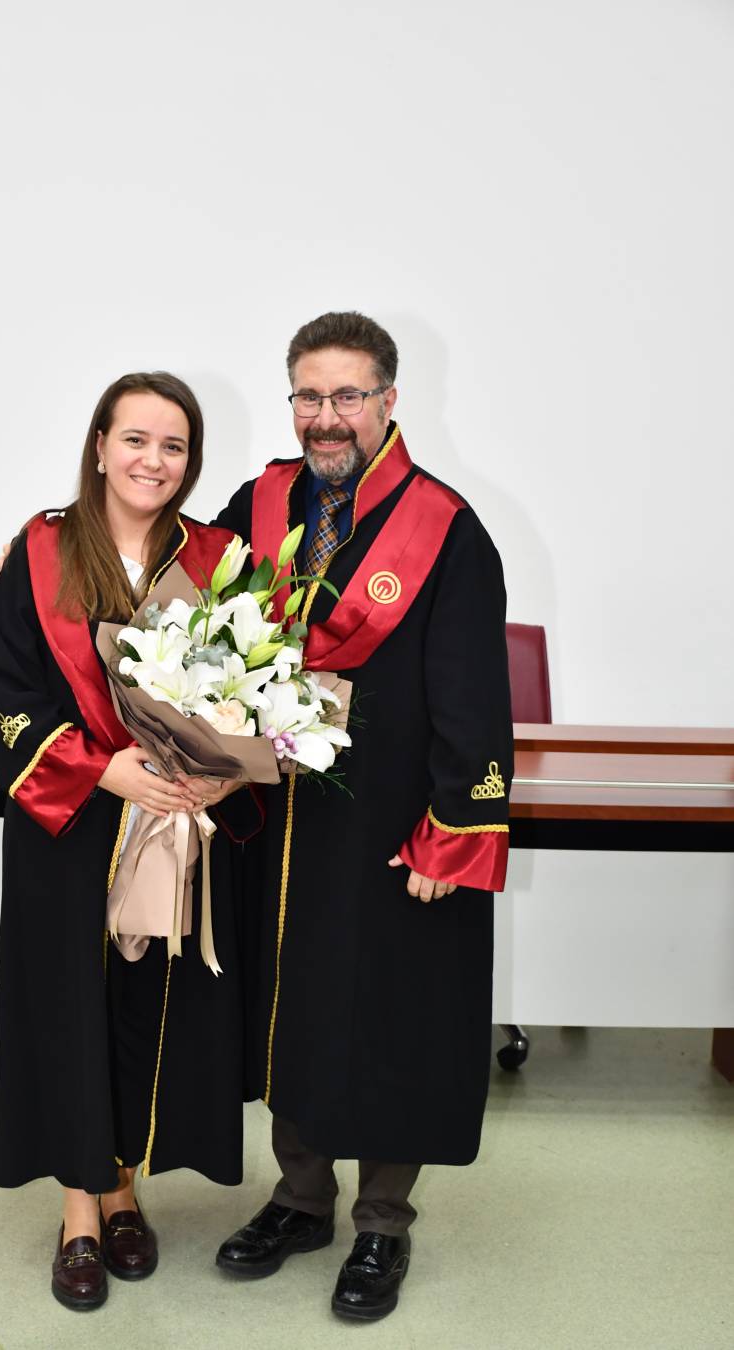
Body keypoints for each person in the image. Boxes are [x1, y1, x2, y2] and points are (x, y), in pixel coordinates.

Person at [213, 312, 514, 1322]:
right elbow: (190, 602)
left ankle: (382, 1221)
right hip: (280, 817)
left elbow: (474, 695)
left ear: (389, 400)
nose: (326, 416)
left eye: (348, 395)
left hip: (392, 819)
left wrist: (453, 830)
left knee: (394, 1013)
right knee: (291, 1001)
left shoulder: (446, 528)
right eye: (309, 395)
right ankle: (301, 1199)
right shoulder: (260, 504)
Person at [0, 372, 260, 1312]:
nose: (153, 460)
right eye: (135, 439)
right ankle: (79, 1212)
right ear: (100, 446)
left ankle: (125, 1187)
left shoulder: (215, 557)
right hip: (72, 826)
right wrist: (102, 771)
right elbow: (4, 692)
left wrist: (219, 767)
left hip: (175, 823)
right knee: (71, 1010)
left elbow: (252, 686)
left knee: (147, 1006)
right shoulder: (42, 551)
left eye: (174, 446)